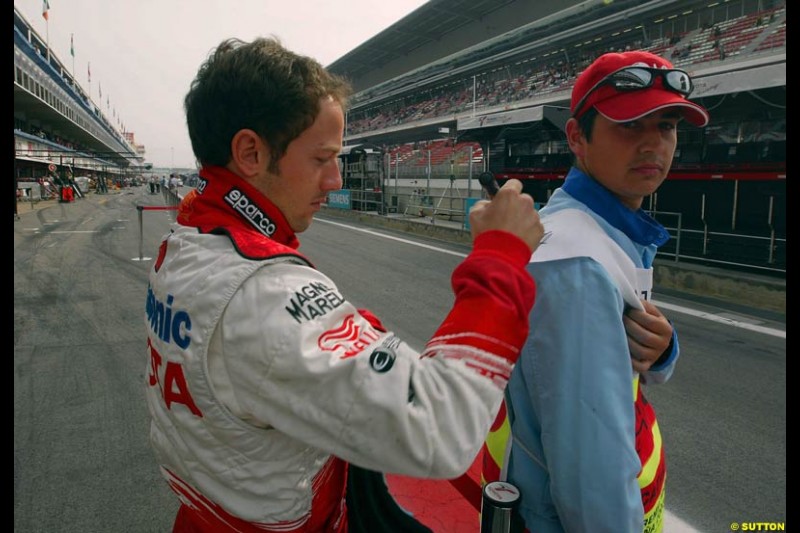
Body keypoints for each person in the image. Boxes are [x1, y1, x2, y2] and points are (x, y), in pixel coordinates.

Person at [144, 36, 545, 532]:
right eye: (321, 159)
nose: (335, 179)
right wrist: (502, 258)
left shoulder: (186, 237)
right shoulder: (263, 294)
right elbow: (442, 429)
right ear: (250, 152)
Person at [482, 50, 710, 532]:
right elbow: (593, 482)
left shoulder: (603, 232)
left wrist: (663, 349)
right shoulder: (575, 262)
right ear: (576, 138)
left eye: (666, 126)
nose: (653, 144)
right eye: (630, 126)